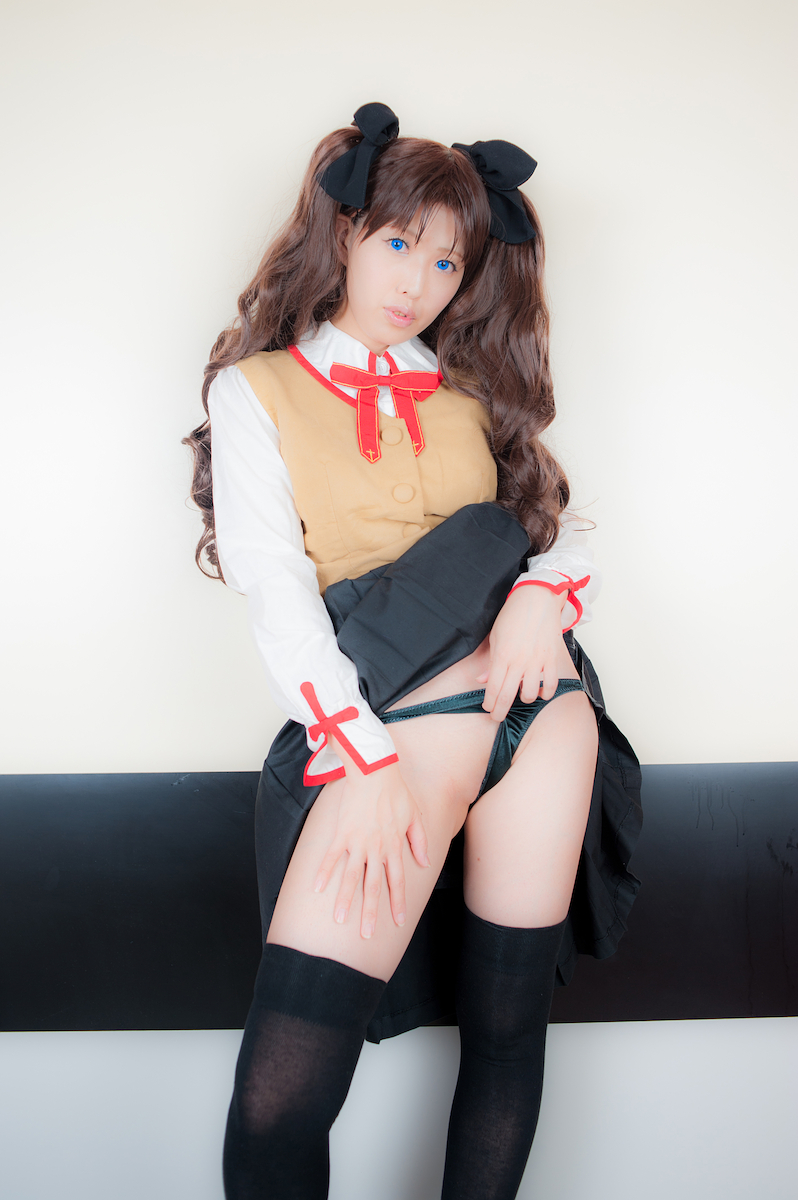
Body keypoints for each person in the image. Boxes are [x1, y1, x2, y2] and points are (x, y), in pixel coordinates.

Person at [184, 103, 642, 1200]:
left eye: (447, 261)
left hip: (543, 717)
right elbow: (275, 588)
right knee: (280, 1099)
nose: (420, 281)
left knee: (506, 1037)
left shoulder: (472, 392)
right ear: (346, 232)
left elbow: (557, 526)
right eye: (401, 243)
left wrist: (539, 601)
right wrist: (362, 758)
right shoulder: (257, 391)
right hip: (399, 733)